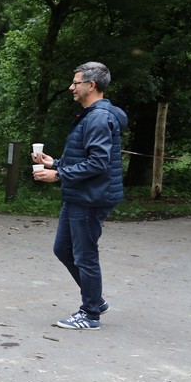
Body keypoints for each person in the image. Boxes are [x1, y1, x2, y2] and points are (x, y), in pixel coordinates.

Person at [33, 61, 127, 330]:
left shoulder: (98, 118)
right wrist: (55, 163)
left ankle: (90, 314)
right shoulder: (91, 115)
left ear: (91, 85)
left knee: (85, 255)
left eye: (76, 82)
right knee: (63, 249)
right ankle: (95, 299)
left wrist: (58, 175)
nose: (71, 87)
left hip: (90, 198)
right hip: (79, 195)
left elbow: (98, 163)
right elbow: (84, 157)